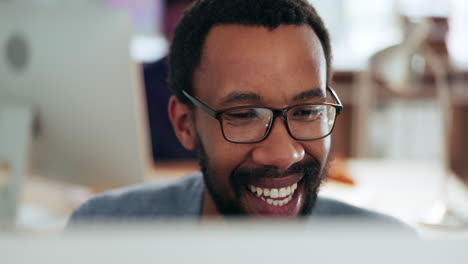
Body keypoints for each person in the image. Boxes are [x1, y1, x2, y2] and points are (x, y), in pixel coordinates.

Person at [69, 0, 403, 223]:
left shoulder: (388, 249)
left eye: (307, 111)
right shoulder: (103, 232)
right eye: (244, 115)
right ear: (185, 124)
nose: (284, 154)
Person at [144, 0, 196, 161]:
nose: (177, 20)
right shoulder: (141, 80)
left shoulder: (220, 82)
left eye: (186, 11)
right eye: (171, 11)